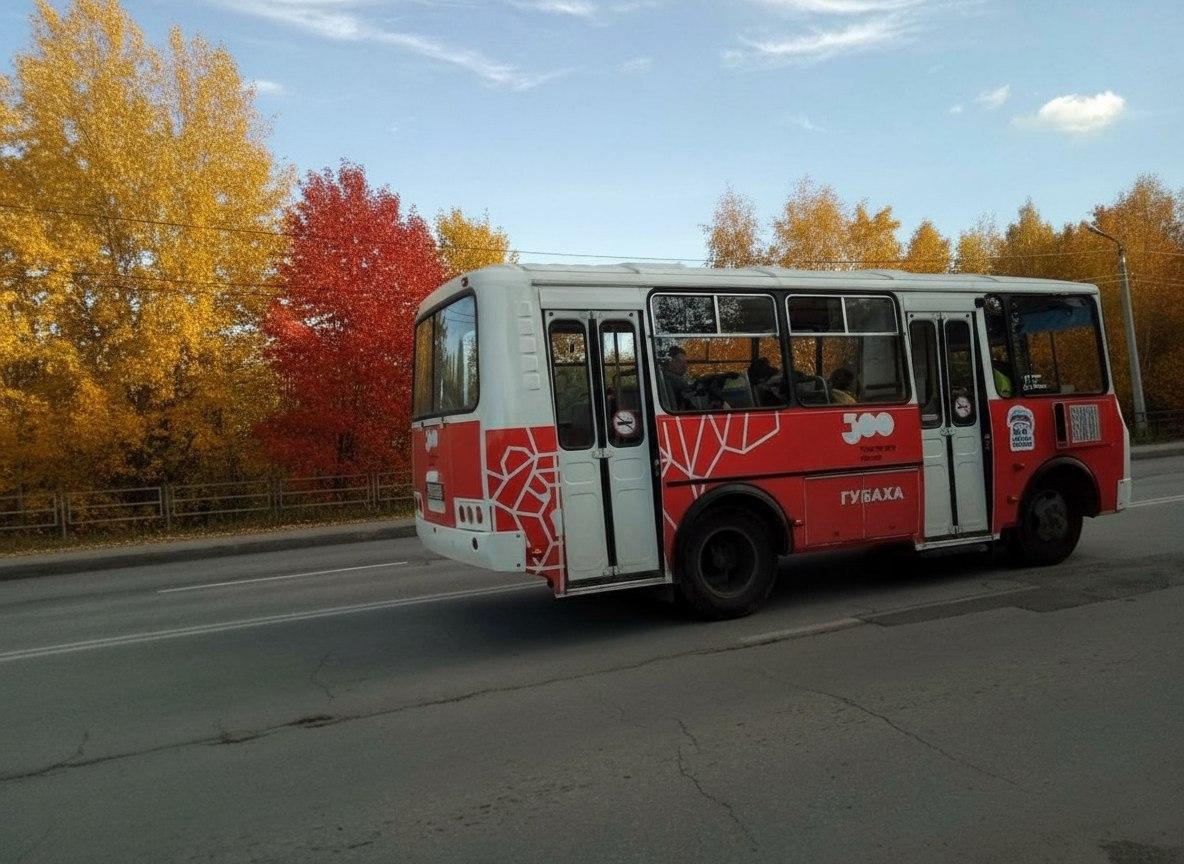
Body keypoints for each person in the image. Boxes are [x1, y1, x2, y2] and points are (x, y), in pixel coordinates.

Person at [660, 346, 696, 410]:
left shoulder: (663, 374)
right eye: (679, 361)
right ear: (670, 362)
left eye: (685, 362)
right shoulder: (675, 380)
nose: (684, 365)